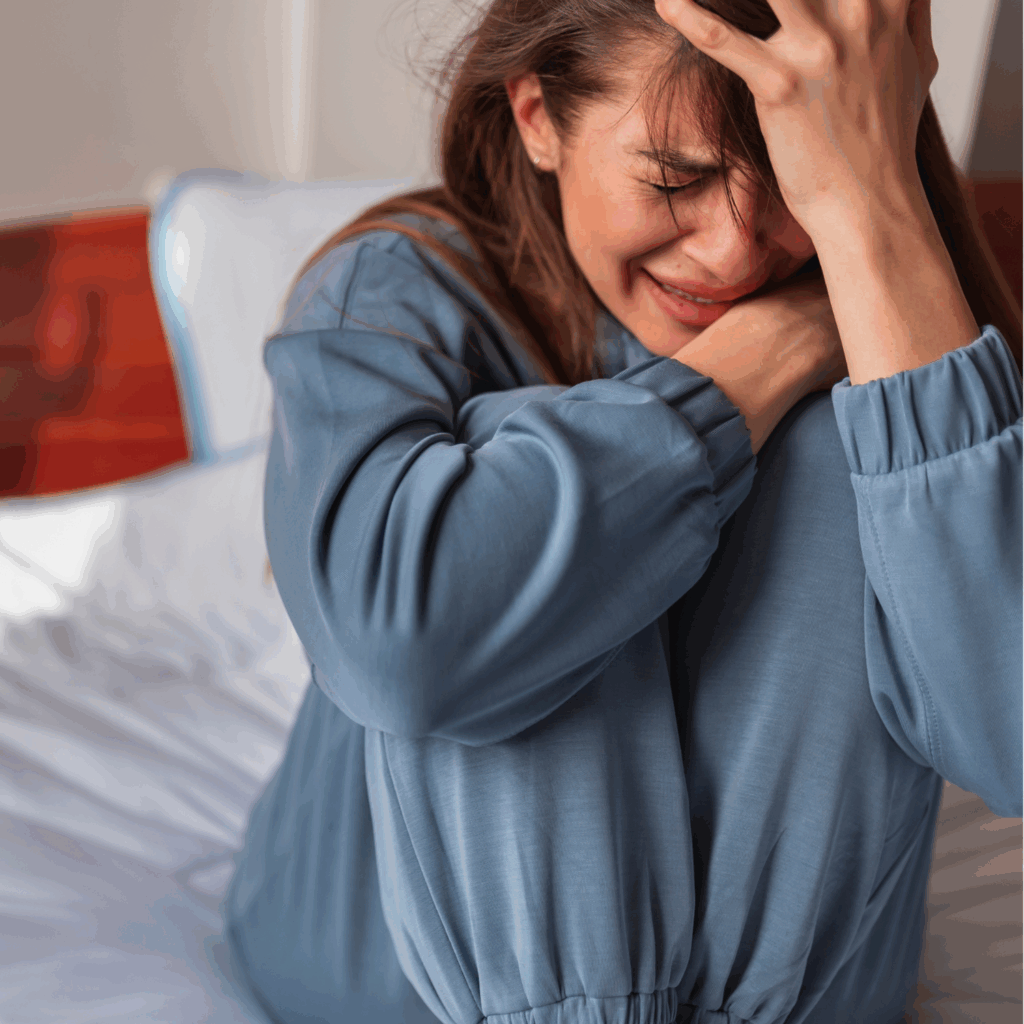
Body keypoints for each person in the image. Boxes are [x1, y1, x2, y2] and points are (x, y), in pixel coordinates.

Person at [224, 1, 1023, 1022]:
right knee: (492, 518)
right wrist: (759, 359)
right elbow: (404, 640)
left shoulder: (890, 308)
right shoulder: (397, 293)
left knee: (834, 448)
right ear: (536, 116)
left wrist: (873, 216)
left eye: (790, 177)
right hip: (374, 971)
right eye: (673, 179)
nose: (734, 253)